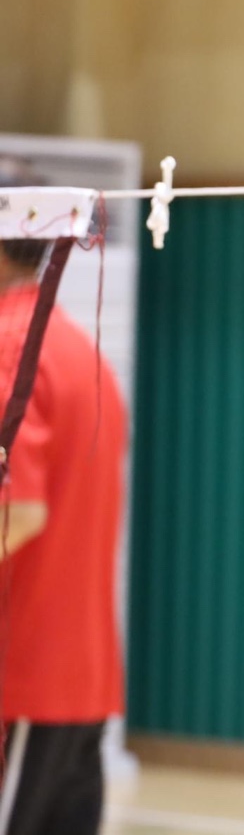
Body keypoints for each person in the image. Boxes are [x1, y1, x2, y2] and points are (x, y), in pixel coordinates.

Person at [0, 236, 128, 835]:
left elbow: (20, 512)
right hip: (82, 678)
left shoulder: (10, 345)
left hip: (23, 676)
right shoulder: (79, 346)